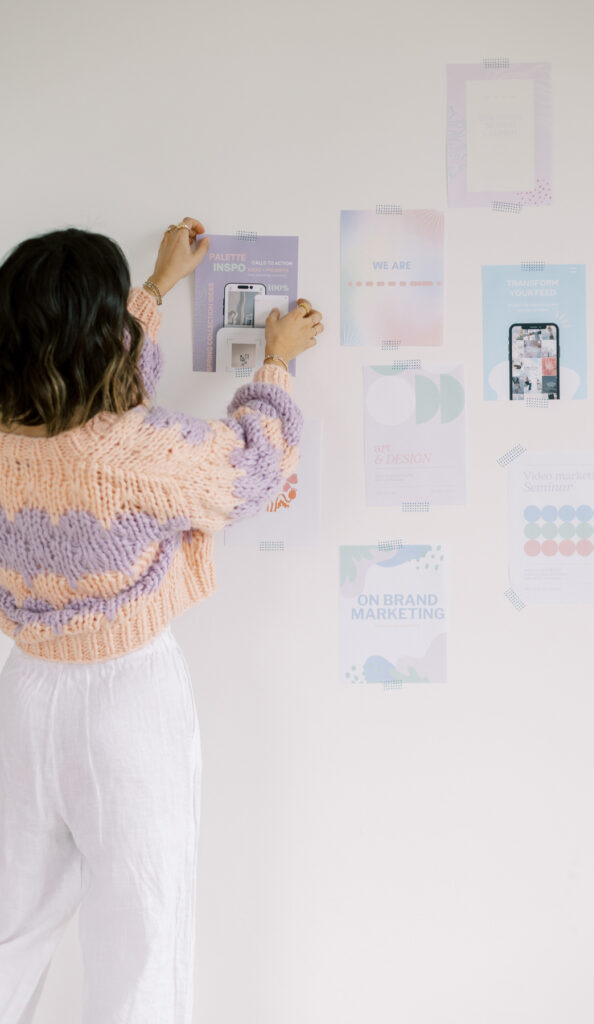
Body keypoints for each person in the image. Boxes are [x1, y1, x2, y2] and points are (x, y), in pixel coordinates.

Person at [0, 217, 324, 1024]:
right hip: (126, 701)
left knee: (8, 927)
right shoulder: (135, 451)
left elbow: (93, 379)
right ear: (98, 330)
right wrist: (277, 364)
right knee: (141, 930)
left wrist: (155, 289)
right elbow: (252, 469)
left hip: (24, 694)